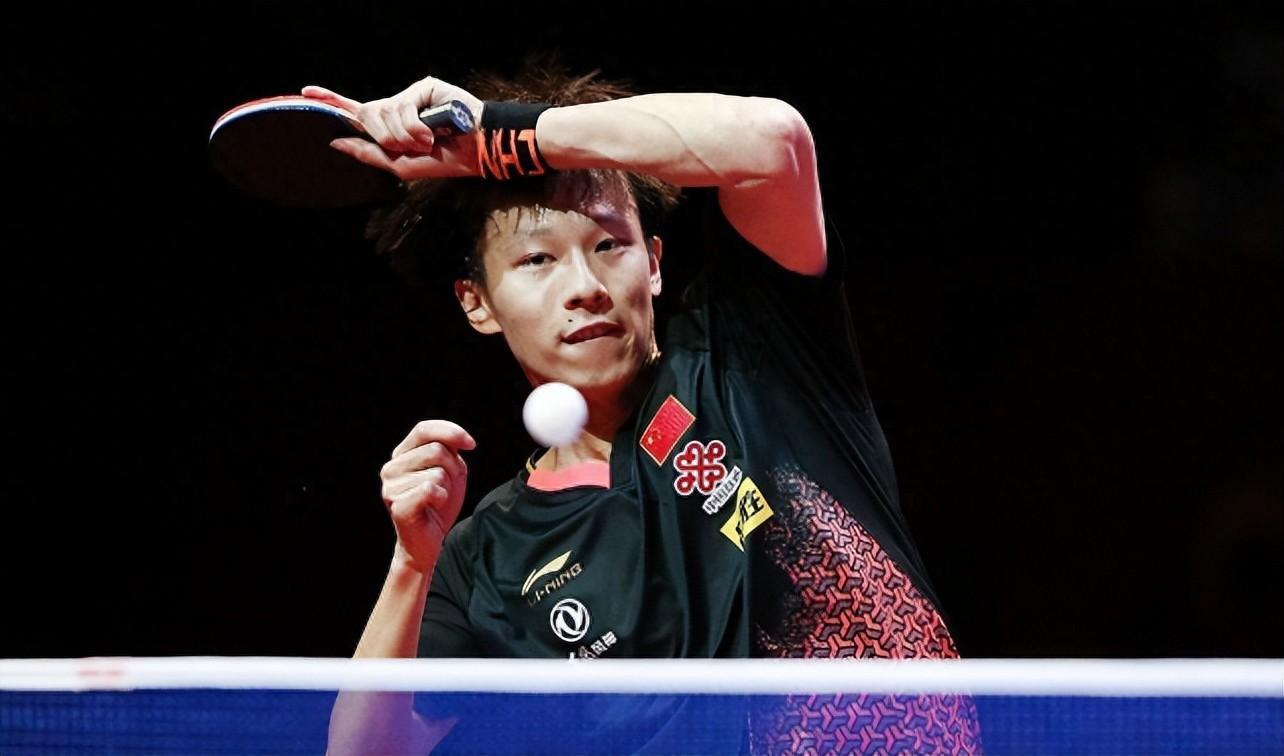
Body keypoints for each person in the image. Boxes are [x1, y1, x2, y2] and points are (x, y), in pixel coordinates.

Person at [315, 61, 980, 754]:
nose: (585, 287)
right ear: (476, 302)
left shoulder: (752, 352)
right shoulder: (488, 558)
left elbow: (773, 139)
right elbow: (363, 751)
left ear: (654, 263)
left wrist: (505, 136)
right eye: (537, 260)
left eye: (610, 245)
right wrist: (411, 566)